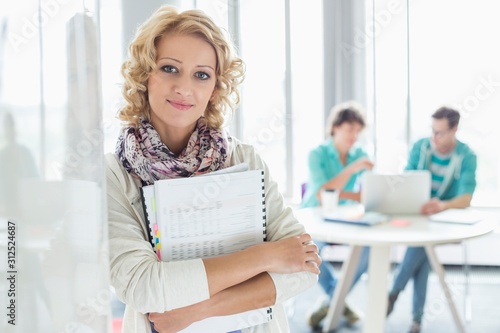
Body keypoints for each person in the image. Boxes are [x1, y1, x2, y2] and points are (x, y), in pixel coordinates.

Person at [105, 5, 322, 333]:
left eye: (201, 74)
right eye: (169, 68)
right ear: (143, 75)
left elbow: (304, 266)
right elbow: (143, 286)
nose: (185, 87)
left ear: (215, 88)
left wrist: (199, 309)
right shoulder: (113, 174)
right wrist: (265, 257)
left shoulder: (244, 160)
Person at [386, 106, 477, 333]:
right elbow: (406, 178)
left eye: (441, 133)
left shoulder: (467, 156)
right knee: (422, 254)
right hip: (417, 217)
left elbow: (465, 198)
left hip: (444, 223)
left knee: (420, 247)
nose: (434, 138)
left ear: (454, 129)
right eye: (432, 131)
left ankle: (394, 291)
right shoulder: (421, 147)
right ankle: (416, 320)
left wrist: (442, 205)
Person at [301, 101, 374, 329]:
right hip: (316, 217)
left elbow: (365, 195)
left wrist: (358, 194)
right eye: (349, 129)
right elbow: (324, 195)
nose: (354, 135)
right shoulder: (317, 154)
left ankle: (332, 302)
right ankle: (339, 300)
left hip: (346, 218)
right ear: (335, 128)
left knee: (369, 248)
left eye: (357, 130)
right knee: (313, 250)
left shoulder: (360, 153)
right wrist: (352, 170)